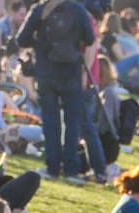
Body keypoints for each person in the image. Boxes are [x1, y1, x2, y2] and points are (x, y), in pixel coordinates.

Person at [16, 0, 104, 183]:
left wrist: (40, 42)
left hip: (46, 72)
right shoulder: (78, 9)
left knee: (50, 122)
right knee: (72, 123)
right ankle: (71, 169)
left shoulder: (40, 9)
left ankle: (53, 167)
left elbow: (21, 39)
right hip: (71, 72)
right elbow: (89, 39)